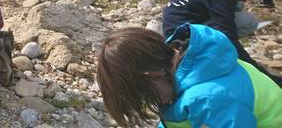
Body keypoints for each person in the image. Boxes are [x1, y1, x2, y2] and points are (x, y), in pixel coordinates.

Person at [96, 24, 282, 127]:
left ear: (152, 75)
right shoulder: (191, 63)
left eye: (146, 96)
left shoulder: (209, 98)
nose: (153, 102)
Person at [162, 0, 282, 86]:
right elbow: (227, 37)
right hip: (179, 37)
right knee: (233, 33)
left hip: (182, 23)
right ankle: (210, 58)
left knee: (244, 18)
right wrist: (258, 71)